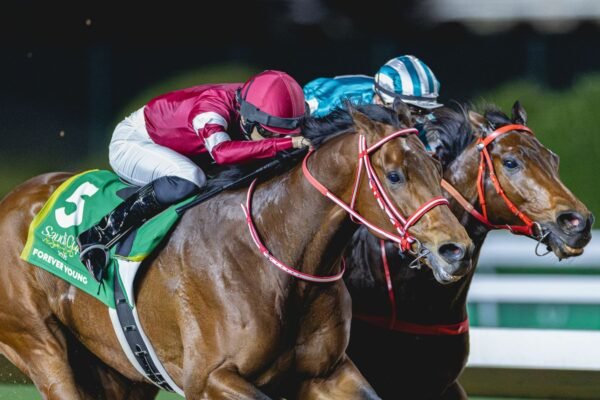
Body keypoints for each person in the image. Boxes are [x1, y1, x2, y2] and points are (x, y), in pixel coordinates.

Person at [77, 70, 312, 282]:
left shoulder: (255, 104)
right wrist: (286, 143)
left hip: (177, 147)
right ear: (247, 119)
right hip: (134, 142)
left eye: (284, 134)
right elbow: (221, 153)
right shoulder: (210, 110)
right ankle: (98, 235)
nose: (276, 139)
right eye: (269, 134)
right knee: (190, 178)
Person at [303, 55, 443, 148]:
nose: (415, 121)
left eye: (422, 112)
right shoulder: (332, 98)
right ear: (380, 100)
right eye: (410, 110)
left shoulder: (428, 127)